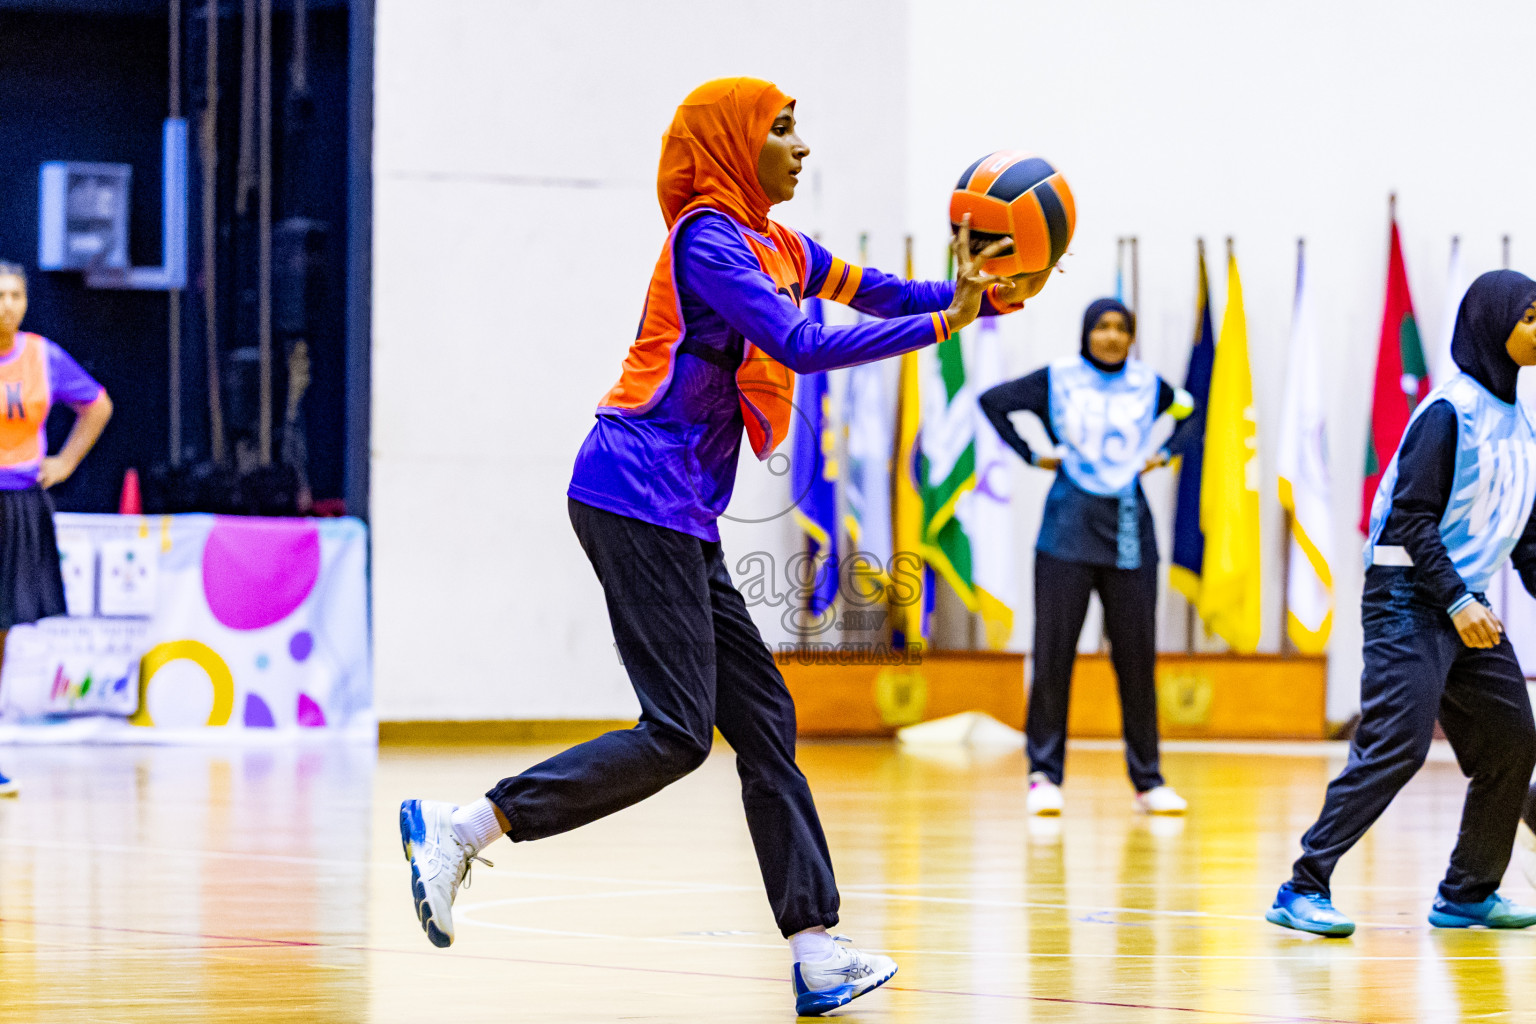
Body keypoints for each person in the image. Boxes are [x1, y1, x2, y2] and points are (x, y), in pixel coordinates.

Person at [396, 78, 1049, 1016]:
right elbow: (801, 339)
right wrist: (944, 324)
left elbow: (869, 290)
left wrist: (969, 295)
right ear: (735, 144)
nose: (802, 147)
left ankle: (817, 950)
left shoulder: (775, 240)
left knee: (766, 719)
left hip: (679, 507)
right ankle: (465, 827)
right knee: (676, 733)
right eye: (782, 130)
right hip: (632, 491)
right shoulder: (707, 239)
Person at [1268, 269, 1536, 937]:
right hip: (1408, 598)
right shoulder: (1449, 412)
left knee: (1511, 742)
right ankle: (1302, 887)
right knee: (1397, 746)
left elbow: (1524, 534)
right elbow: (1409, 520)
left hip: (1461, 601)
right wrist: (1455, 601)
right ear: (1492, 326)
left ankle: (1468, 893)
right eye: (1531, 316)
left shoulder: (1519, 423)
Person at [979, 298, 1198, 817]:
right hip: (1066, 532)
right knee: (1054, 655)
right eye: (1101, 326)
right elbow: (993, 402)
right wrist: (1033, 453)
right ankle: (1043, 776)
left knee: (1137, 659)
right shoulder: (1058, 378)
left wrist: (1165, 453)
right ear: (1086, 332)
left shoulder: (1151, 385)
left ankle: (1149, 780)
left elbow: (1194, 413)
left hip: (1128, 532)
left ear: (1132, 335)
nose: (1111, 336)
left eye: (1121, 327)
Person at [0, 262, 114, 797]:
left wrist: (66, 462)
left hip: (18, 502)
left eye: (15, 295)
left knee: (3, 632)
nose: (7, 305)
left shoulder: (42, 356)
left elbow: (96, 405)